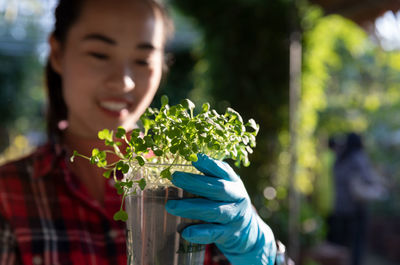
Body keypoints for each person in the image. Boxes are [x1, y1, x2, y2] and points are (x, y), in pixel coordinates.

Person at [0, 0, 279, 264]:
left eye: (143, 59)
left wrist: (255, 247)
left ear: (162, 65)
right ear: (58, 54)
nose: (123, 80)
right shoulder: (9, 192)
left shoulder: (191, 180)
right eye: (99, 53)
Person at [328, 132, 384, 265]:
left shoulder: (340, 158)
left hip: (339, 207)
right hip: (356, 208)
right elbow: (368, 178)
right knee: (357, 244)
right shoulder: (358, 157)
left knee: (341, 244)